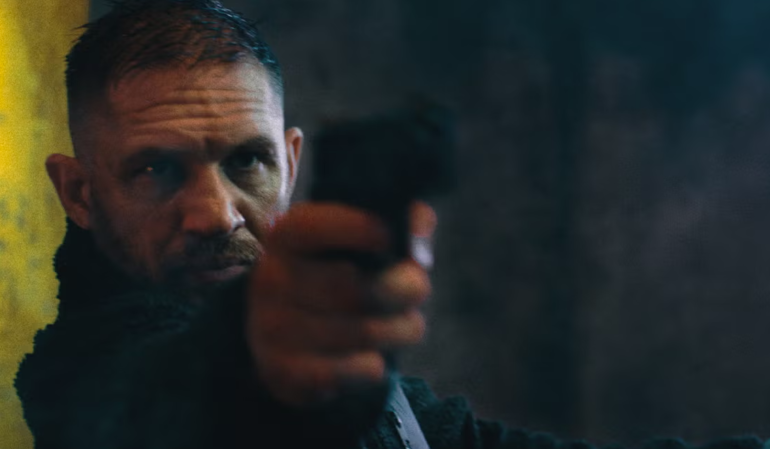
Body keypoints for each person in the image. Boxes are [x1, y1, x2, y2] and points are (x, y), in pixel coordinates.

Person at [12, 1, 766, 448]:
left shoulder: (386, 395)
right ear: (79, 192)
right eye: (155, 169)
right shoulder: (79, 380)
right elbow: (162, 407)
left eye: (247, 161)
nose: (216, 213)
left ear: (290, 163)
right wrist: (264, 368)